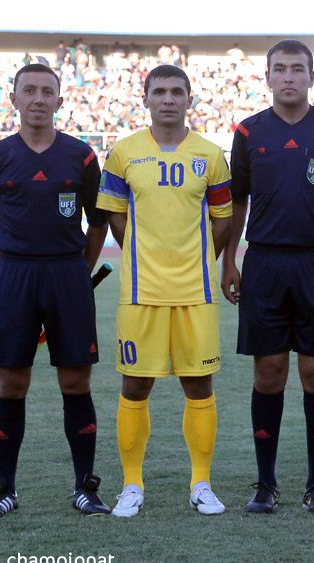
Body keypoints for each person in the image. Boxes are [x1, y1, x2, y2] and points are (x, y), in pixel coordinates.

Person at [222, 39, 314, 515]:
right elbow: (236, 202)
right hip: (263, 263)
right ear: (267, 77)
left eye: (296, 69)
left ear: (311, 77)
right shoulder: (248, 132)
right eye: (279, 69)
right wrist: (229, 260)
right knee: (269, 373)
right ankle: (265, 483)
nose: (288, 76)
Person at [97, 64, 233, 517]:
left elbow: (224, 220)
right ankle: (132, 485)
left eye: (177, 91)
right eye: (160, 92)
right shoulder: (123, 153)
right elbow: (116, 216)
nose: (169, 99)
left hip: (196, 292)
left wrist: (195, 261)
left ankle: (201, 483)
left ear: (190, 98)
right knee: (135, 385)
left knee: (199, 384)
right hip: (140, 292)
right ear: (146, 98)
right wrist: (143, 255)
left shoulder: (211, 155)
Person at [0, 63, 110, 517]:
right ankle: (4, 490)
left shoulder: (82, 157)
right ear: (13, 98)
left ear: (59, 99)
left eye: (46, 91)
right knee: (12, 383)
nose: (37, 98)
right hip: (15, 277)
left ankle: (85, 487)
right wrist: (18, 266)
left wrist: (76, 271)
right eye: (28, 90)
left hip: (68, 276)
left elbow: (98, 223)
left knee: (75, 381)